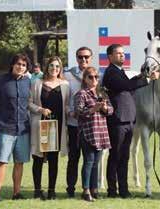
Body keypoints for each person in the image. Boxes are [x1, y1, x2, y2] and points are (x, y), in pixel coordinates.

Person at [102, 44, 159, 198]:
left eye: (123, 53)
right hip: (118, 120)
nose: (122, 55)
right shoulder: (111, 72)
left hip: (128, 120)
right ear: (110, 56)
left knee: (124, 157)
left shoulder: (120, 71)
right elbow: (126, 86)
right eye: (118, 53)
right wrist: (147, 79)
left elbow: (130, 84)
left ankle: (124, 190)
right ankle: (112, 191)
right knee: (115, 156)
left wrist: (142, 75)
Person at [29, 56, 69, 200]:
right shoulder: (37, 83)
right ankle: (37, 190)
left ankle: (51, 191)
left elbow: (67, 105)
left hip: (56, 128)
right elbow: (29, 103)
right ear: (47, 67)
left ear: (60, 69)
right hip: (40, 126)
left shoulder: (65, 85)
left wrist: (70, 111)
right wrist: (40, 109)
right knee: (38, 159)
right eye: (51, 66)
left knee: (53, 160)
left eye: (57, 66)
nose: (54, 69)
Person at [0, 54, 31, 202]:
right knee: (2, 161)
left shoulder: (28, 81)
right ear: (12, 65)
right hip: (5, 127)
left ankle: (16, 192)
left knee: (19, 162)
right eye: (18, 64)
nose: (20, 67)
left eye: (23, 65)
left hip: (23, 128)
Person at [76, 66, 113, 202]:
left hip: (101, 131)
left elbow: (111, 110)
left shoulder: (101, 93)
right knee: (88, 161)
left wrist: (104, 108)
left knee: (96, 163)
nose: (94, 79)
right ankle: (86, 190)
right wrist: (93, 109)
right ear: (85, 79)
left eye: (96, 77)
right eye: (90, 77)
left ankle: (94, 189)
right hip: (88, 132)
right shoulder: (82, 93)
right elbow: (79, 112)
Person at [64, 46, 93, 197]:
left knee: (90, 159)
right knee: (74, 158)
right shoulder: (67, 75)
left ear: (91, 58)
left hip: (90, 126)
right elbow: (65, 98)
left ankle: (89, 189)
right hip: (74, 125)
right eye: (80, 57)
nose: (84, 59)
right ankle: (70, 189)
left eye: (86, 57)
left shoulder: (95, 75)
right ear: (76, 58)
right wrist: (69, 112)